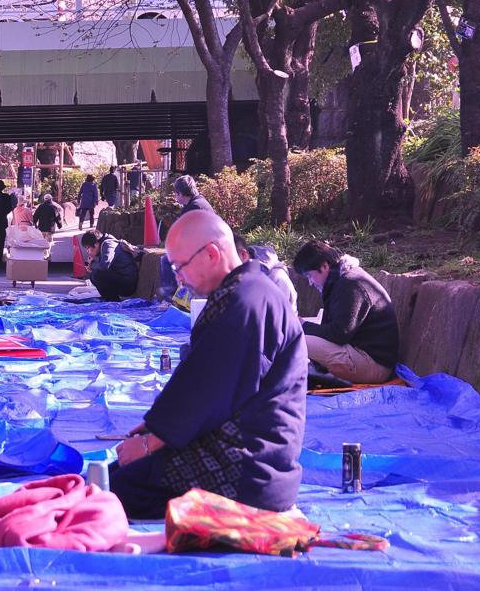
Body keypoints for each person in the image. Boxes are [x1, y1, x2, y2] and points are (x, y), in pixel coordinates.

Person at [109, 211, 307, 519]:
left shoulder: (244, 300)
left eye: (179, 267)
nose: (178, 278)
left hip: (250, 470)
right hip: (252, 455)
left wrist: (151, 442)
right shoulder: (248, 291)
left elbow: (207, 389)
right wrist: (153, 427)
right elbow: (204, 377)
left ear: (211, 253)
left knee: (117, 487)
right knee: (117, 476)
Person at [292, 240, 399, 384]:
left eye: (310, 276)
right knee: (299, 334)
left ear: (324, 266)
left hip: (375, 366)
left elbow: (338, 334)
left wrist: (303, 325)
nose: (310, 283)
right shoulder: (339, 280)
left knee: (295, 339)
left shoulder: (350, 285)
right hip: (362, 353)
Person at [233, 233, 298, 313]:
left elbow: (274, 320)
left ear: (244, 255)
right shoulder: (241, 276)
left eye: (230, 261)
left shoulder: (276, 279)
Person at [80, 229, 140, 301]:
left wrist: (92, 264)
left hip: (128, 283)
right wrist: (92, 266)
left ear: (95, 244)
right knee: (93, 275)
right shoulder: (103, 245)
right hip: (120, 278)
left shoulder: (109, 244)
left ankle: (112, 300)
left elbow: (104, 266)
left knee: (97, 275)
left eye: (88, 248)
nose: (88, 251)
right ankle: (110, 298)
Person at [33, 192, 62, 257]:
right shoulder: (54, 207)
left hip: (41, 228)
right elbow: (57, 217)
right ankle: (46, 254)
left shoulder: (40, 207)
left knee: (43, 242)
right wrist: (59, 225)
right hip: (50, 229)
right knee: (49, 242)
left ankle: (44, 254)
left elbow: (35, 216)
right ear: (51, 199)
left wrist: (35, 224)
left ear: (44, 200)